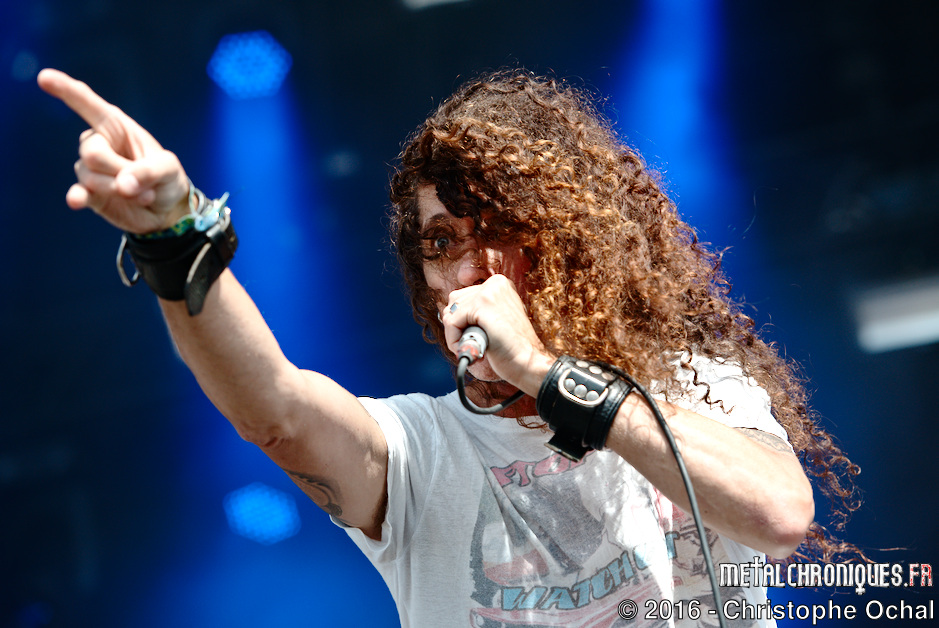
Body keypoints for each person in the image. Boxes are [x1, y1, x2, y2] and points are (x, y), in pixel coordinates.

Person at [39, 67, 861, 627]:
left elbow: (779, 516)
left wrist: (546, 375)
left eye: (493, 231)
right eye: (439, 244)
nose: (466, 269)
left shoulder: (688, 387)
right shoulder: (418, 448)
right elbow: (276, 410)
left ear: (566, 247)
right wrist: (176, 239)